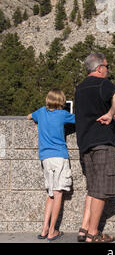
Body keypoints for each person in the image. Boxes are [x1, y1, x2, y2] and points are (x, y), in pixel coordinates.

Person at [75, 53, 115, 243]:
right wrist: (111, 113)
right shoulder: (103, 83)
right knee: (102, 190)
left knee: (93, 188)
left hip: (85, 143)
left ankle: (84, 229)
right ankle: (93, 233)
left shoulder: (79, 88)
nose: (108, 69)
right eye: (107, 66)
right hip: (102, 142)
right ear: (99, 68)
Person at [27, 88, 75, 241]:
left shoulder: (41, 112)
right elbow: (79, 119)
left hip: (45, 158)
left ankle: (44, 229)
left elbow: (29, 116)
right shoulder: (63, 114)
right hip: (59, 156)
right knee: (58, 193)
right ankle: (53, 230)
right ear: (61, 101)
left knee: (50, 194)